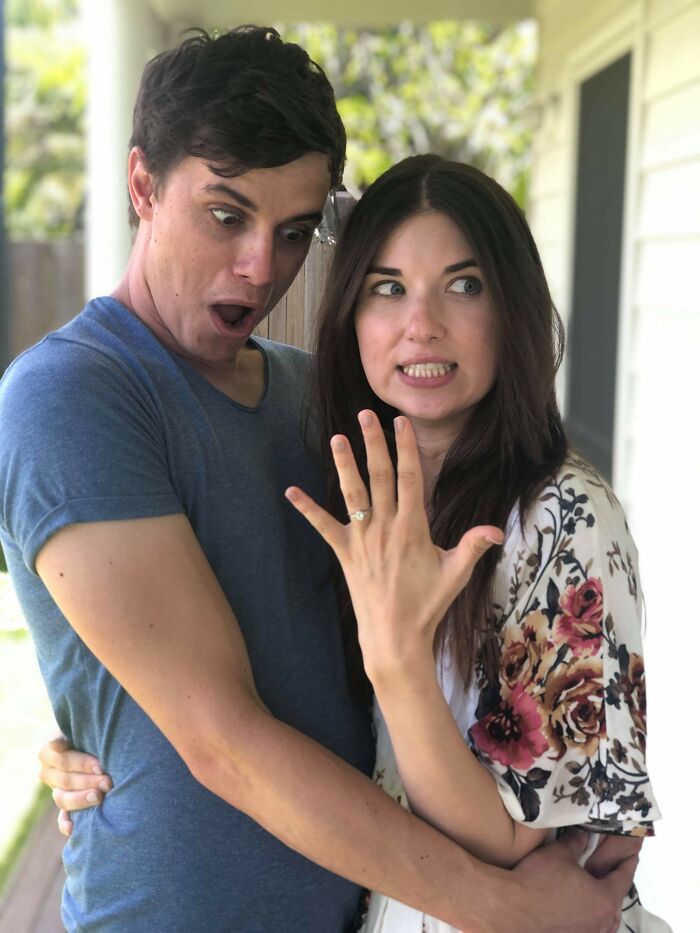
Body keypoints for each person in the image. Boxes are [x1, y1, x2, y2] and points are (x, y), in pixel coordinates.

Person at [6, 25, 639, 933]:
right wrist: (515, 909)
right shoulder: (72, 394)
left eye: (295, 230)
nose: (262, 266)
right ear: (142, 186)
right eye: (227, 215)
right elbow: (221, 741)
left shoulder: (320, 401)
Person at [283, 155, 668, 932]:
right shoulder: (351, 492)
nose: (421, 323)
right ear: (350, 313)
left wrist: (396, 657)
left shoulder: (565, 520)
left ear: (511, 309)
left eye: (463, 284)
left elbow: (504, 839)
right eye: (387, 287)